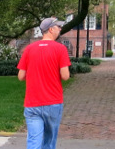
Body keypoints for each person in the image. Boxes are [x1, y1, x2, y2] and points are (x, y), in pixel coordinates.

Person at [18, 17, 71, 149]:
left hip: (32, 103)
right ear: (50, 29)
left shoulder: (29, 49)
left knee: (34, 140)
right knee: (49, 141)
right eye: (58, 27)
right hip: (53, 102)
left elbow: (21, 76)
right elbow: (65, 76)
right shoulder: (60, 49)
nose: (60, 29)